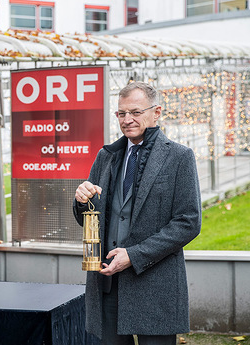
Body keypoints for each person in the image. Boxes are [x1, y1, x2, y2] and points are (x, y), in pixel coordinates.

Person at [73, 82, 201, 345]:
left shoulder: (180, 157)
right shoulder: (105, 156)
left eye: (135, 112)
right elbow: (90, 219)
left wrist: (133, 255)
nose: (127, 120)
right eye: (121, 113)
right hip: (107, 285)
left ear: (156, 112)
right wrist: (82, 201)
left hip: (155, 286)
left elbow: (188, 222)